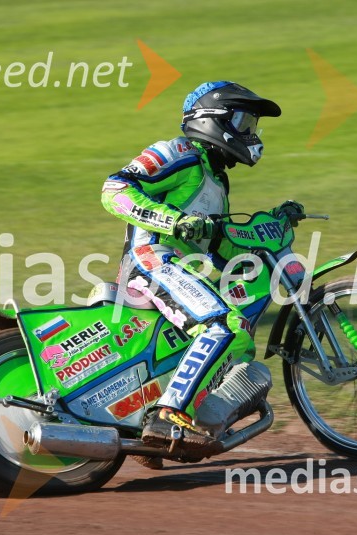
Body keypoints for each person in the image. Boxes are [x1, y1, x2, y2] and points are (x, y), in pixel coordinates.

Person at [100, 81, 303, 457]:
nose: (250, 134)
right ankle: (168, 415)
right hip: (150, 261)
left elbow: (218, 244)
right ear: (211, 119)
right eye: (243, 122)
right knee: (222, 324)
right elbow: (115, 189)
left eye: (252, 127)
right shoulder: (177, 152)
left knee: (238, 341)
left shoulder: (216, 181)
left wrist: (272, 226)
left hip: (179, 267)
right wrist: (173, 221)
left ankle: (165, 426)